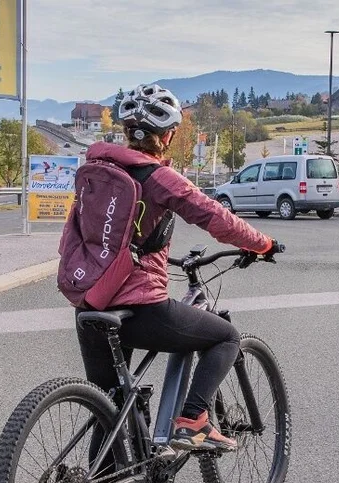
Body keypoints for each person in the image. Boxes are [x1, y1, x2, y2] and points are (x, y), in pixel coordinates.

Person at [70, 83, 282, 452]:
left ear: (125, 133)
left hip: (90, 305)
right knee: (226, 337)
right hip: (140, 310)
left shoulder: (95, 171)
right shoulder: (156, 176)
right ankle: (192, 421)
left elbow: (102, 237)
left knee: (110, 410)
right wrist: (261, 243)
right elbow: (214, 216)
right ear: (167, 136)